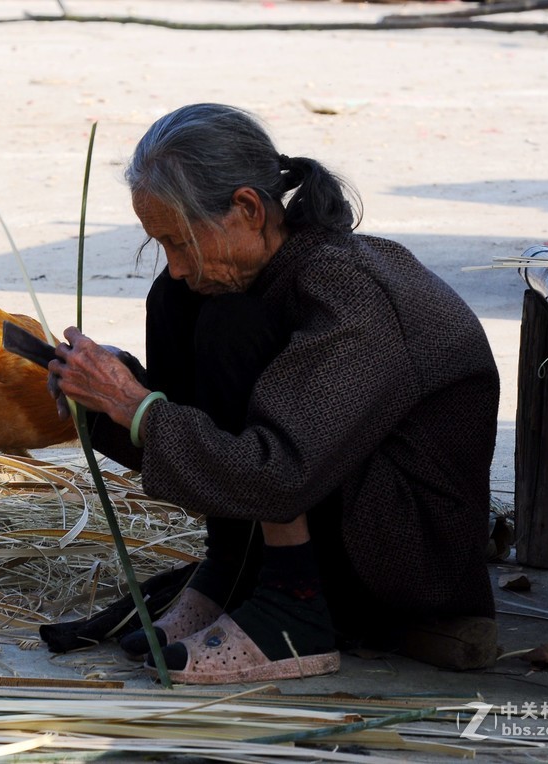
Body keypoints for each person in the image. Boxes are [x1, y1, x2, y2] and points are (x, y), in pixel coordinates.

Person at [47, 103, 500, 685]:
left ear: (247, 209)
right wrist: (108, 399)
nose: (177, 264)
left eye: (182, 241)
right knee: (178, 301)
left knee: (225, 323)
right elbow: (209, 450)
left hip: (407, 561)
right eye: (161, 243)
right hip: (332, 520)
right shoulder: (259, 273)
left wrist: (137, 408)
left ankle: (293, 606)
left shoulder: (349, 289)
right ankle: (234, 570)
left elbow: (276, 472)